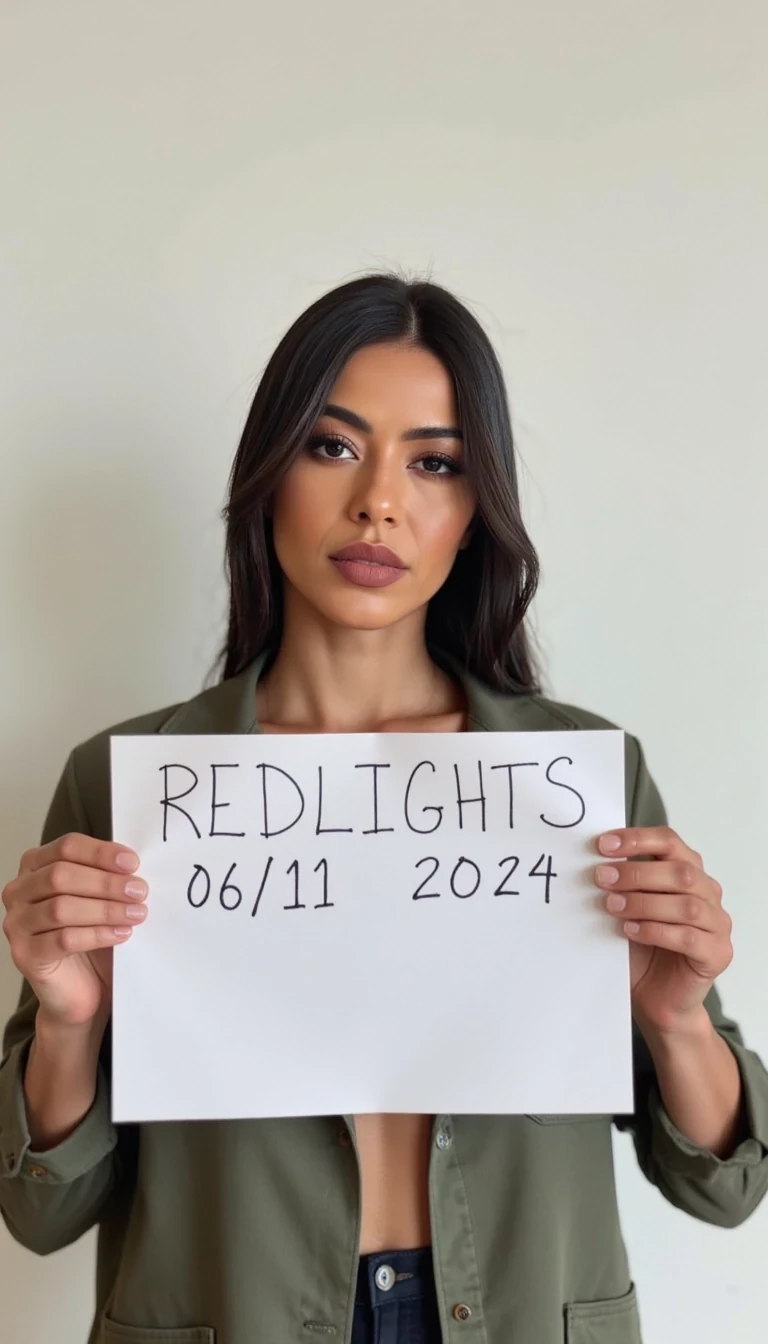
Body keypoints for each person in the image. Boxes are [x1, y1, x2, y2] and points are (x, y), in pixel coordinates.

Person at [1, 271, 767, 1344]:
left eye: (435, 462)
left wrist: (676, 1017)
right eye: (332, 445)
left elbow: (725, 1190)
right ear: (269, 474)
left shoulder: (576, 782)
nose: (379, 502)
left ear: (474, 510)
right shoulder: (127, 783)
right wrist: (73, 1024)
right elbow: (41, 1209)